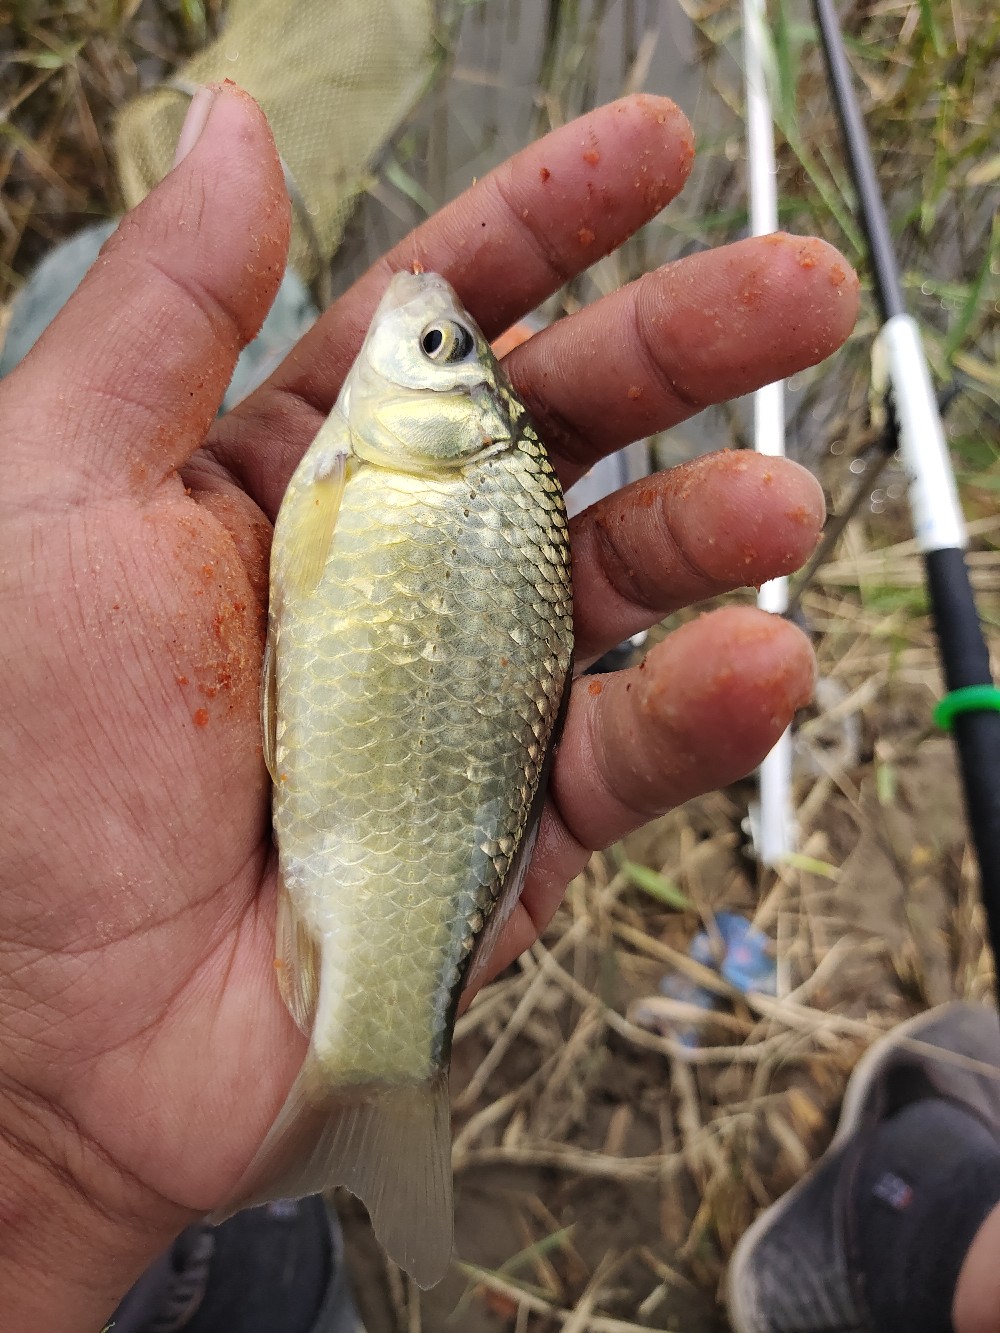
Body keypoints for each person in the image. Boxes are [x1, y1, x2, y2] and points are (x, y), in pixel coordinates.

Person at [0, 81, 870, 1331]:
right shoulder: (402, 466)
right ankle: (284, 1200)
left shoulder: (391, 469)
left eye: (435, 352)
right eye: (445, 349)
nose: (428, 325)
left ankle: (329, 1137)